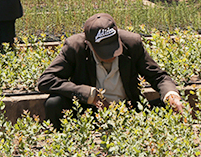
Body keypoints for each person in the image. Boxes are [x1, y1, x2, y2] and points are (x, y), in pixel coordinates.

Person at [37, 13, 184, 130]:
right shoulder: (75, 47)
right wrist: (88, 94)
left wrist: (171, 95)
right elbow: (46, 80)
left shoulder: (132, 43)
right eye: (104, 51)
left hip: (130, 111)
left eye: (114, 47)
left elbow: (159, 77)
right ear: (89, 44)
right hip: (89, 113)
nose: (111, 55)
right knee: (54, 103)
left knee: (169, 104)